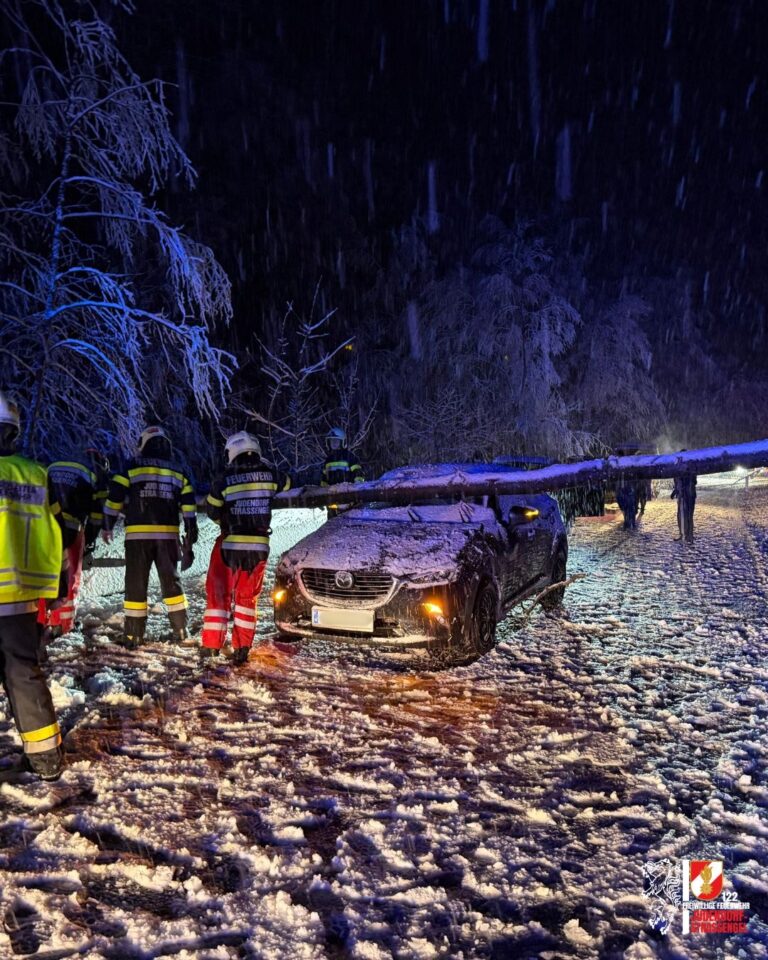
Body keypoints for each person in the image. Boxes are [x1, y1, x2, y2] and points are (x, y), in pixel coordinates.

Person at [0, 392, 65, 779]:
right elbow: (59, 528)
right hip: (21, 595)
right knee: (24, 671)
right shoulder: (36, 474)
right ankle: (46, 759)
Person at [102, 425, 197, 647]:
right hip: (168, 537)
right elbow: (189, 507)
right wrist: (190, 535)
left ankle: (133, 636)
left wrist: (107, 525)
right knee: (172, 583)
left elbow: (115, 496)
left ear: (144, 444)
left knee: (135, 584)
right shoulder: (178, 471)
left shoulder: (132, 467)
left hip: (138, 538)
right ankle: (181, 630)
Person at [201, 432, 289, 666]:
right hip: (259, 546)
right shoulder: (271, 474)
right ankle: (242, 649)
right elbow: (288, 483)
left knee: (219, 594)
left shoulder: (225, 477)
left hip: (230, 544)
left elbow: (211, 509)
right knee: (246, 599)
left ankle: (212, 646)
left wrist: (228, 518)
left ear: (232, 451)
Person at [40, 448, 110, 639]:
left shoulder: (53, 466)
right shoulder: (95, 476)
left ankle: (43, 622)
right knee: (70, 577)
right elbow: (96, 517)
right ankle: (64, 626)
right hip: (71, 527)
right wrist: (89, 542)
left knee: (45, 576)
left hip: (44, 526)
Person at [671, 466, 697, 543]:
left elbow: (693, 481)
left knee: (685, 515)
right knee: (684, 515)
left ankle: (687, 535)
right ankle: (687, 535)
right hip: (685, 495)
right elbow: (678, 484)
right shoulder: (688, 469)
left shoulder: (685, 470)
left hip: (686, 495)